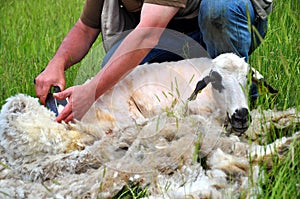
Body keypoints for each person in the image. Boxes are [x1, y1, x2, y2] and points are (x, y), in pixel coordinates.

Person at [34, 0, 272, 123]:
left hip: (225, 17)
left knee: (218, 9)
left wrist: (91, 90)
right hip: (169, 31)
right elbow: (86, 28)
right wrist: (57, 62)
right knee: (112, 68)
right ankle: (180, 108)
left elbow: (148, 31)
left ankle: (237, 102)